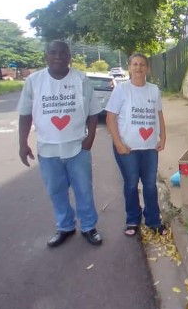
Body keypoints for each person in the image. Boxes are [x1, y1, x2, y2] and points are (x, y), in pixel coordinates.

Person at [18, 41, 103, 248]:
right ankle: (65, 226)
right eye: (53, 53)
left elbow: (93, 112)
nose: (58, 56)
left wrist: (90, 138)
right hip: (47, 149)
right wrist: (23, 144)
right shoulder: (34, 81)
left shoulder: (80, 79)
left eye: (62, 53)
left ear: (69, 56)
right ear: (46, 56)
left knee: (84, 189)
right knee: (55, 190)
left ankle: (89, 227)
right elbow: (25, 114)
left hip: (77, 147)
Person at [105, 53, 167, 237]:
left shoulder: (154, 90)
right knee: (131, 184)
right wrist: (118, 144)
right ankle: (132, 219)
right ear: (129, 67)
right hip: (128, 149)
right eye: (135, 64)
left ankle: (154, 221)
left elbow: (159, 115)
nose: (138, 68)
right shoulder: (121, 90)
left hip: (149, 148)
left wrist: (163, 137)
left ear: (147, 68)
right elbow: (110, 117)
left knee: (149, 185)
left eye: (142, 64)